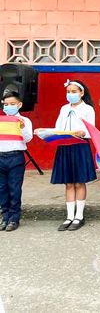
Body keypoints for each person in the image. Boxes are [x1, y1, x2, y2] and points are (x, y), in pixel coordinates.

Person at [43, 80, 97, 231]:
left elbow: (91, 129)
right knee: (68, 183)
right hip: (64, 146)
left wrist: (83, 132)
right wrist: (45, 132)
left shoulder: (87, 109)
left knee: (79, 182)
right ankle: (69, 216)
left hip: (80, 146)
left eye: (74, 92)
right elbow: (58, 128)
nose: (70, 94)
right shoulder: (64, 108)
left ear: (82, 93)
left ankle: (79, 216)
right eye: (68, 92)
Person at [0, 91, 33, 232]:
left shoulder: (25, 120)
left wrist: (22, 127)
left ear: (19, 105)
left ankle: (14, 218)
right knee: (2, 189)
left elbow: (28, 139)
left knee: (14, 188)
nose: (9, 107)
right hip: (0, 156)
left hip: (15, 157)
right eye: (6, 104)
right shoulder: (1, 120)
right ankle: (5, 216)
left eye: (12, 104)